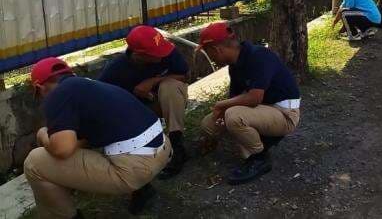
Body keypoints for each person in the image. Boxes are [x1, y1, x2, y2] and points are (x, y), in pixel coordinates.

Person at [24, 58, 172, 218]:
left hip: (136, 167)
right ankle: (143, 190)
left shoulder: (57, 94)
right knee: (100, 140)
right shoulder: (90, 85)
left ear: (39, 87)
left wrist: (43, 134)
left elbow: (63, 150)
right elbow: (88, 138)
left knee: (35, 163)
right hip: (163, 149)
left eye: (38, 95)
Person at [196, 22, 301, 185]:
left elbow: (254, 98)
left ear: (217, 49)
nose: (211, 57)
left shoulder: (259, 56)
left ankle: (259, 158)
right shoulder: (234, 65)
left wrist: (221, 105)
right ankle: (254, 138)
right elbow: (236, 97)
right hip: (262, 110)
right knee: (208, 125)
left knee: (233, 115)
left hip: (284, 114)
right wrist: (219, 118)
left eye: (208, 53)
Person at [98, 25, 189, 179]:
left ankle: (177, 144)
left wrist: (153, 81)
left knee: (171, 87)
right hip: (136, 113)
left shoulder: (169, 52)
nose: (163, 54)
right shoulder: (115, 69)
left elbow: (184, 76)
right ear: (139, 54)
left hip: (165, 103)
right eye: (156, 53)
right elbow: (102, 99)